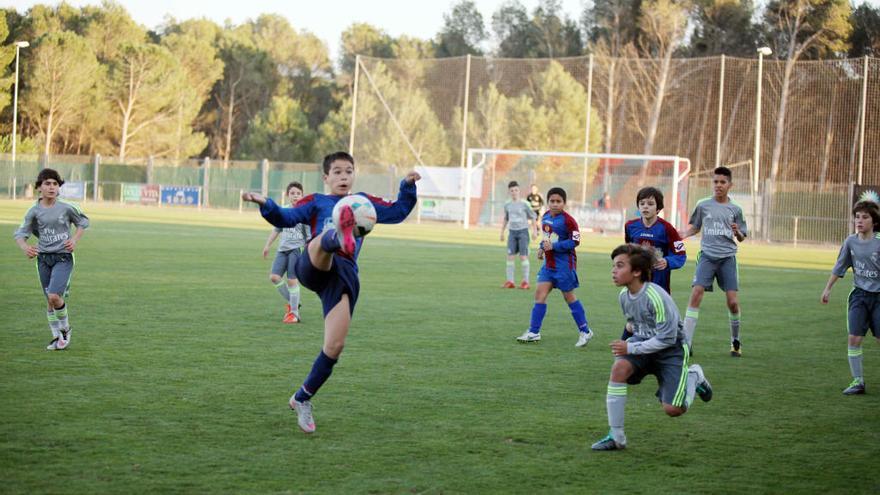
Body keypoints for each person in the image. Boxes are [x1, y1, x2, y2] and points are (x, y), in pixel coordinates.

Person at [241, 151, 420, 434]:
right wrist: (266, 203)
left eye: (348, 171)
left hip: (343, 276)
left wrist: (407, 186)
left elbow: (398, 212)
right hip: (314, 264)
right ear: (326, 177)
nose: (343, 176)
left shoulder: (364, 202)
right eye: (337, 172)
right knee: (322, 244)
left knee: (334, 347)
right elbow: (287, 217)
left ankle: (302, 398)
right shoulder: (316, 201)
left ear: (354, 175)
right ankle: (338, 235)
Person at [591, 244, 713, 451]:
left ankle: (694, 376)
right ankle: (616, 437)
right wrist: (628, 341)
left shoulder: (656, 297)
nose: (614, 271)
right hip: (643, 343)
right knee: (619, 369)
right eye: (613, 266)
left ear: (637, 272)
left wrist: (630, 349)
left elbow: (666, 338)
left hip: (670, 350)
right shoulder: (624, 296)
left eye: (620, 266)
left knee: (674, 409)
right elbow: (634, 325)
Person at [13, 168, 90, 351]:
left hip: (63, 257)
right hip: (43, 259)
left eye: (55, 184)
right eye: (47, 183)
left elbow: (83, 222)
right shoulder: (34, 211)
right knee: (50, 299)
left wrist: (74, 239)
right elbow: (20, 234)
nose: (51, 187)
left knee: (55, 296)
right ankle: (56, 337)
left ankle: (65, 330)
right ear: (39, 187)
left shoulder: (66, 207)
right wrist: (26, 248)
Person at [679, 167, 747, 357]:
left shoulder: (736, 209)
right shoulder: (703, 205)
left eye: (722, 182)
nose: (718, 185)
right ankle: (686, 343)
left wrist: (737, 232)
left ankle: (735, 341)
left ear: (730, 185)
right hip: (707, 256)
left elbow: (742, 237)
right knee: (696, 294)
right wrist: (681, 234)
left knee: (733, 303)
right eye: (715, 181)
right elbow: (695, 227)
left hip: (727, 258)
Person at [516, 187, 594, 347]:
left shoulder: (569, 221)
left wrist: (554, 246)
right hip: (549, 265)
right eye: (552, 201)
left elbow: (575, 241)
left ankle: (585, 331)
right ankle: (533, 332)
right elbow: (547, 238)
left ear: (564, 203)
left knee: (569, 297)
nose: (555, 204)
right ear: (548, 202)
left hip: (565, 266)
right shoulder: (545, 216)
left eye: (558, 201)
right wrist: (541, 248)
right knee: (539, 295)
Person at [820, 200, 880, 395]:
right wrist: (828, 288)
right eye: (857, 217)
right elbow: (840, 266)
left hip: (878, 297)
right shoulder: (850, 242)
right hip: (859, 296)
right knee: (854, 338)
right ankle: (858, 381)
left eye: (865, 217)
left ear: (874, 221)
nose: (859, 221)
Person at [621, 187, 687, 339]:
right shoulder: (630, 226)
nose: (645, 206)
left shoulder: (667, 229)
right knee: (636, 313)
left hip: (660, 281)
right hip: (639, 279)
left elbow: (680, 255)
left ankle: (682, 341)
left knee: (664, 315)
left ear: (658, 208)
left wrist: (667, 261)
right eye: (642, 203)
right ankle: (624, 344)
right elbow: (629, 250)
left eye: (650, 204)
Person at [262, 182, 311, 323]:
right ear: (287, 195)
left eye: (298, 194)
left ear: (302, 196)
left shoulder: (304, 213)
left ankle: (295, 313)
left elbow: (309, 236)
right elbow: (277, 229)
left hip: (297, 249)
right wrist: (267, 245)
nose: (295, 196)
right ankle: (294, 302)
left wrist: (309, 252)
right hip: (282, 249)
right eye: (292, 193)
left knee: (291, 281)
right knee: (274, 277)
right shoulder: (284, 211)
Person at [500, 181, 539, 289]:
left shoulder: (525, 204)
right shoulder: (507, 204)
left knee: (523, 256)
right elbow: (506, 218)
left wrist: (535, 231)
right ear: (509, 192)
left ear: (519, 191)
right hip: (512, 233)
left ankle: (525, 282)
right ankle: (510, 281)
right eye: (512, 191)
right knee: (510, 256)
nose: (514, 192)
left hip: (523, 232)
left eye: (516, 190)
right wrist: (502, 232)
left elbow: (533, 216)